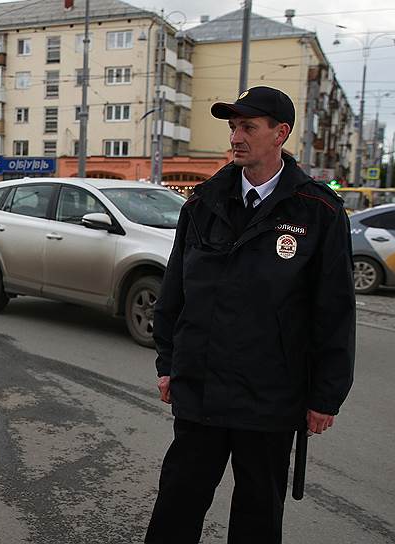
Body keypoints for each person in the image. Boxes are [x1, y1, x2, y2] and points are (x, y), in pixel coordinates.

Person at [145, 86, 356, 544]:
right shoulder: (202, 203)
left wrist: (326, 395)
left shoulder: (318, 210)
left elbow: (333, 311)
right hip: (201, 389)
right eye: (233, 127)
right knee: (177, 503)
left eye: (248, 127)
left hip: (272, 396)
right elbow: (175, 294)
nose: (236, 137)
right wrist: (168, 365)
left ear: (280, 133)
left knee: (258, 515)